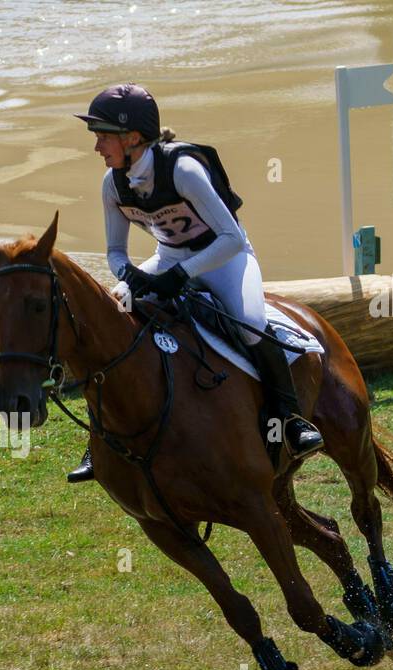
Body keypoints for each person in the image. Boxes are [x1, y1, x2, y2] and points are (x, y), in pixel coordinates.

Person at [66, 83, 323, 483]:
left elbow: (232, 238)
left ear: (132, 138)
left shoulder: (183, 170)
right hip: (169, 257)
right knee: (113, 312)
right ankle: (99, 439)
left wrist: (181, 276)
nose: (97, 147)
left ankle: (291, 422)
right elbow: (115, 250)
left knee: (250, 322)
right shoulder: (113, 184)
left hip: (225, 259)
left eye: (103, 137)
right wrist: (127, 274)